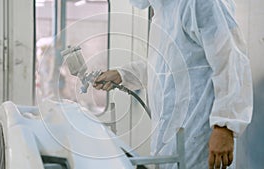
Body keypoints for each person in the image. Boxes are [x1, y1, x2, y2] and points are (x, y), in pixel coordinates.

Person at [94, 0, 253, 168]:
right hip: (172, 135)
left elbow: (232, 63)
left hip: (199, 135)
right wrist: (123, 75)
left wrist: (224, 127)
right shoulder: (164, 10)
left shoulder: (200, 3)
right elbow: (168, 68)